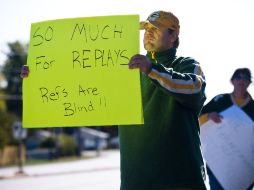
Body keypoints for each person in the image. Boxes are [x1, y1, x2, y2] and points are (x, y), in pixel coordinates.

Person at [21, 11, 209, 190]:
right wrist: (38, 77)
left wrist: (152, 69)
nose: (148, 33)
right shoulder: (126, 69)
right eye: (146, 29)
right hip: (136, 180)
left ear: (174, 35)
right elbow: (82, 88)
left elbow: (194, 88)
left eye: (156, 28)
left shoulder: (187, 64)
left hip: (180, 179)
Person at [199, 68, 254, 190]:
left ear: (249, 83)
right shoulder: (220, 100)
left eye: (245, 77)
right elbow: (196, 119)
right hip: (217, 167)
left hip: (244, 170)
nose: (241, 80)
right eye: (238, 77)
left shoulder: (253, 107)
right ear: (232, 81)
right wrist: (208, 116)